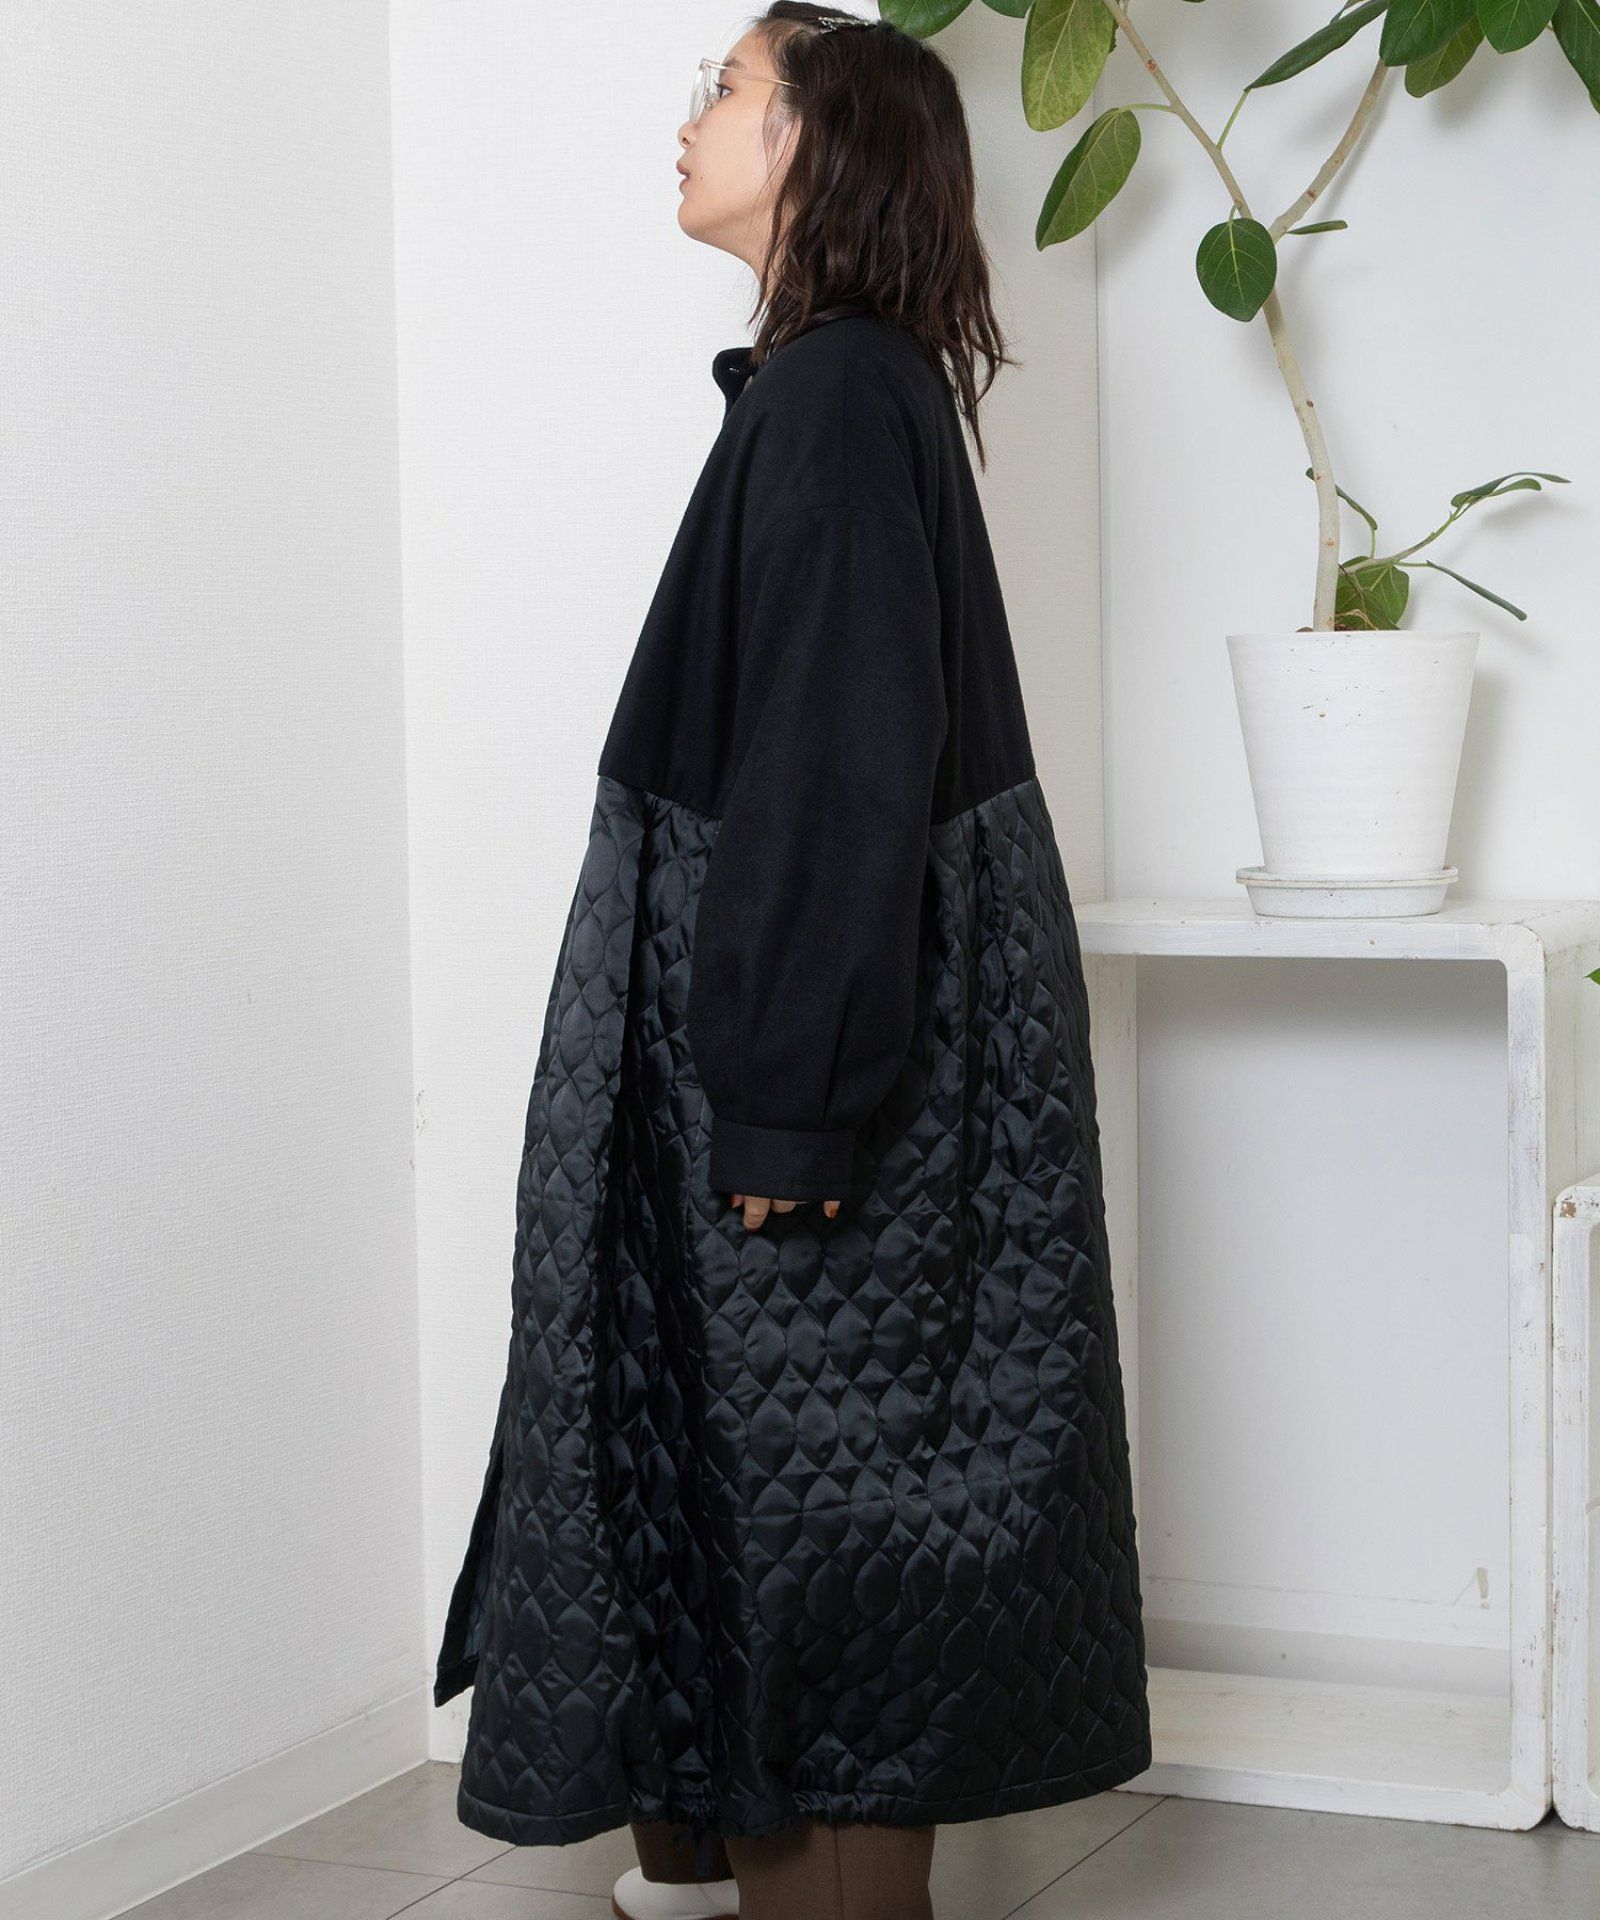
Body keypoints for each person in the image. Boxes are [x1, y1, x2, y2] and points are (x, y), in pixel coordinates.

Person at [431, 7, 1153, 1918]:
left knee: (816, 1534)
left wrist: (791, 1104)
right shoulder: (833, 389)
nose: (689, 120)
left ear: (818, 145)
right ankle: (688, 1862)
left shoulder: (834, 401)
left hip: (804, 1074)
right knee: (725, 1485)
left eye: (727, 92)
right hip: (766, 1042)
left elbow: (837, 774)